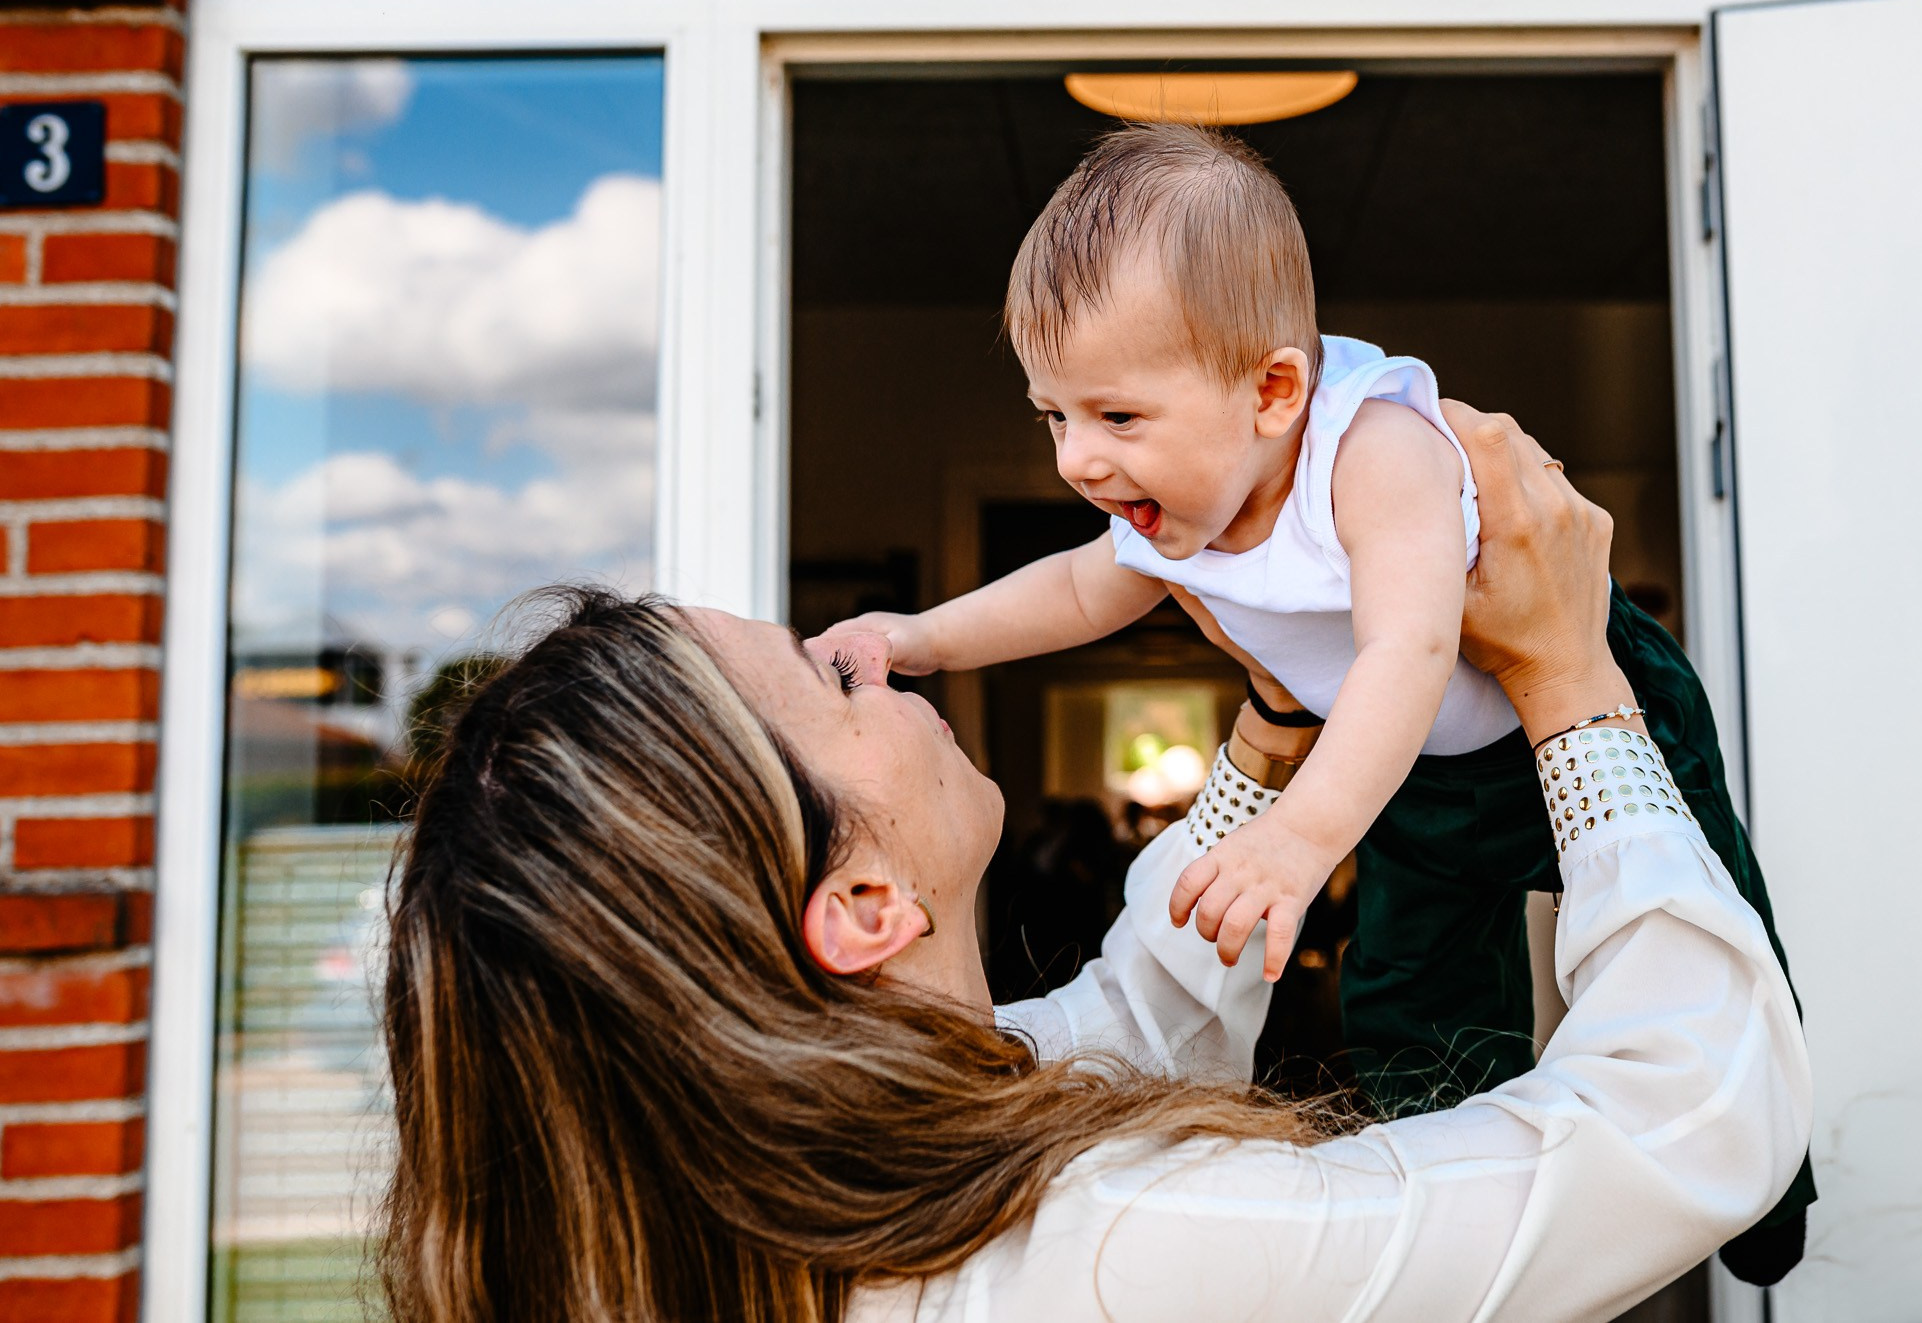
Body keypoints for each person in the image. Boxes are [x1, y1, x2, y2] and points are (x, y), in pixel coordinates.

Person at [377, 406, 1813, 1322]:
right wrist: (1571, 678)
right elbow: (1682, 1126)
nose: (876, 659)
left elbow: (1127, 1023)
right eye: (830, 679)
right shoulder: (1126, 1251)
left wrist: (1272, 722)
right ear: (865, 906)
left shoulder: (814, 1200)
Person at [821, 123, 1811, 1277]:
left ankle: (1770, 1178)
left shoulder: (1369, 450)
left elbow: (1409, 646)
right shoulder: (1173, 507)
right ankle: (1460, 1167)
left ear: (1273, 390)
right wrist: (921, 636)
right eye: (1053, 416)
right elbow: (1078, 590)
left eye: (1115, 417)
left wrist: (1300, 836)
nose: (1076, 462)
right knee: (1400, 985)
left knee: (1697, 907)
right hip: (1421, 779)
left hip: (1571, 694)